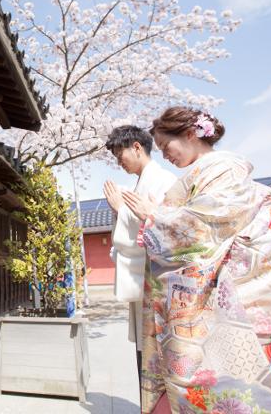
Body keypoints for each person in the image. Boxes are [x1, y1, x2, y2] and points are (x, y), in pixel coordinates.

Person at [121, 107, 271, 414]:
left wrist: (153, 216)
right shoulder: (208, 172)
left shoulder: (222, 169)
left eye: (167, 146)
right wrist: (161, 218)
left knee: (234, 389)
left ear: (192, 134)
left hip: (231, 304)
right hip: (222, 300)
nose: (166, 155)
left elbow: (205, 229)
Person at [102, 125, 176, 391]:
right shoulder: (143, 182)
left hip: (160, 283)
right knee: (147, 359)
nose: (118, 162)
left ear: (136, 147)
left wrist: (121, 210)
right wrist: (121, 213)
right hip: (146, 280)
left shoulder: (163, 181)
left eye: (119, 154)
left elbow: (168, 230)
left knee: (161, 357)